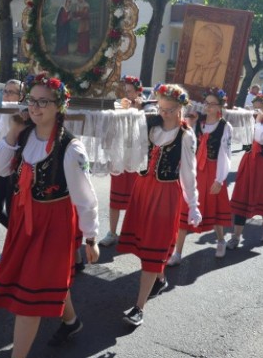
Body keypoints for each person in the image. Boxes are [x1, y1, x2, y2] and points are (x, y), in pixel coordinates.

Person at [0, 72, 99, 358]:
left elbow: (85, 197)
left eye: (42, 102)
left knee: (29, 292)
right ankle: (72, 322)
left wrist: (90, 238)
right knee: (46, 280)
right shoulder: (22, 134)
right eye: (31, 100)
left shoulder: (71, 148)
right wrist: (11, 133)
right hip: (24, 220)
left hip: (53, 225)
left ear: (59, 106)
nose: (34, 107)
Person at [117, 83, 201, 327]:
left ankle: (139, 307)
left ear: (180, 109)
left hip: (165, 196)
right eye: (161, 108)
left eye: (169, 109)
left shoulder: (186, 135)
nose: (163, 113)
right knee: (146, 245)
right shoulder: (149, 125)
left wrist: (193, 205)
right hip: (143, 190)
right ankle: (160, 277)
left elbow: (189, 173)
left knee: (154, 246)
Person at [168, 87, 232, 266]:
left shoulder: (225, 127)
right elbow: (184, 138)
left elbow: (224, 154)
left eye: (213, 104)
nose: (208, 107)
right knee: (185, 208)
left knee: (214, 208)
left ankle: (220, 240)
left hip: (212, 171)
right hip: (195, 169)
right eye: (207, 103)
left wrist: (219, 179)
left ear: (220, 106)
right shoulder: (197, 121)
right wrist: (191, 121)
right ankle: (178, 252)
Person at [227, 90, 263, 249]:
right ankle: (236, 236)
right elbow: (240, 135)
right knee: (242, 197)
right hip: (250, 163)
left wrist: (258, 122)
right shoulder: (255, 119)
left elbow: (262, 138)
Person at [99, 75, 145, 247]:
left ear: (138, 91)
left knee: (137, 200)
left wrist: (137, 108)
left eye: (130, 91)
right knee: (115, 198)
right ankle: (112, 233)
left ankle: (135, 233)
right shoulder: (121, 106)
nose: (127, 94)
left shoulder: (146, 106)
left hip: (136, 159)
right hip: (120, 157)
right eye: (125, 91)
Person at [0, 79, 25, 230]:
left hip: (16, 169)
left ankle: (15, 243)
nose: (6, 95)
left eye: (11, 92)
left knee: (13, 211)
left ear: (21, 96)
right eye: (5, 91)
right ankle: (14, 234)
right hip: (0, 167)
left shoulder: (24, 115)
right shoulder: (1, 112)